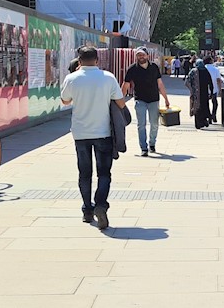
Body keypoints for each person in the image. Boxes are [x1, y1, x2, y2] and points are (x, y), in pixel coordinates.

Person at [60, 44, 126, 230]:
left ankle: (87, 210)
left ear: (79, 61)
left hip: (80, 133)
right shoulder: (108, 77)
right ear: (97, 60)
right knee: (104, 173)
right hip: (103, 132)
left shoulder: (72, 78)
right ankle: (100, 205)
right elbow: (120, 102)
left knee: (84, 173)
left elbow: (65, 100)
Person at [123, 48, 171, 156]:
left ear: (147, 56)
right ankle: (143, 148)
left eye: (143, 55)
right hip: (140, 99)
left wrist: (166, 99)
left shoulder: (154, 67)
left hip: (154, 99)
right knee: (141, 125)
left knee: (154, 124)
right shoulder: (132, 69)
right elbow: (126, 84)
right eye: (139, 55)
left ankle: (152, 143)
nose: (141, 57)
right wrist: (120, 100)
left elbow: (160, 84)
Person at [186, 55, 215, 128]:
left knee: (197, 107)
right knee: (204, 107)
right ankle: (204, 120)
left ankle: (198, 123)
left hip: (196, 94)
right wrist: (211, 92)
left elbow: (187, 81)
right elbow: (210, 83)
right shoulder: (206, 71)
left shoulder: (193, 71)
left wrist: (192, 90)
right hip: (204, 93)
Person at [205, 54, 223, 119]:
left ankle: (208, 116)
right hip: (214, 89)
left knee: (206, 104)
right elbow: (218, 80)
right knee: (215, 103)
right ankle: (213, 115)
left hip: (205, 89)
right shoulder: (215, 69)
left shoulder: (203, 68)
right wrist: (220, 90)